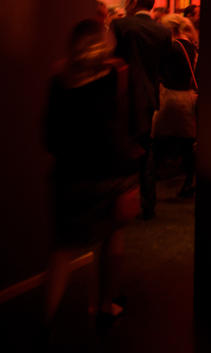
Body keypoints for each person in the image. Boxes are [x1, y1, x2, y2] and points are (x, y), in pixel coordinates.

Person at [43, 20, 142, 334]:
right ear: (105, 43)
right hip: (111, 172)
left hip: (70, 174)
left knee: (61, 250)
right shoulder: (118, 74)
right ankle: (105, 307)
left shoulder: (59, 79)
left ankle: (45, 322)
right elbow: (130, 122)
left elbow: (49, 136)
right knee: (112, 238)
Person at [109, 0, 172, 219]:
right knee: (145, 149)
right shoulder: (162, 31)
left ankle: (120, 202)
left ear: (134, 1)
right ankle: (148, 202)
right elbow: (164, 65)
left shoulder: (120, 25)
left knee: (120, 148)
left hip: (122, 94)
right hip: (148, 95)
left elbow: (112, 59)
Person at [154, 14, 199, 198]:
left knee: (159, 138)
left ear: (170, 29)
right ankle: (189, 181)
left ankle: (152, 178)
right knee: (187, 142)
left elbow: (163, 72)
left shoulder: (172, 47)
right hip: (188, 97)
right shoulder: (191, 46)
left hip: (172, 97)